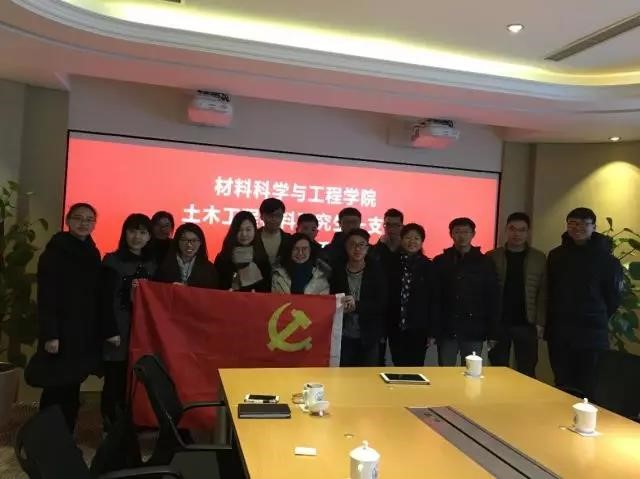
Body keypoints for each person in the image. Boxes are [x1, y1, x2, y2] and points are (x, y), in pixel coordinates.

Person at [27, 203, 115, 432]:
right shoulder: (56, 251)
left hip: (82, 332)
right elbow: (47, 296)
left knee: (71, 386)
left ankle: (64, 435)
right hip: (61, 332)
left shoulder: (91, 250)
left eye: (89, 219)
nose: (83, 223)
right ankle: (47, 436)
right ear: (68, 221)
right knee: (56, 388)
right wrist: (51, 334)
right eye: (78, 218)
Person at [546, 207, 622, 398]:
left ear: (593, 227)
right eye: (572, 223)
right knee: (562, 383)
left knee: (588, 385)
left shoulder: (607, 260)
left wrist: (595, 313)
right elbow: (549, 290)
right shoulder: (556, 255)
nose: (577, 228)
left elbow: (613, 298)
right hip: (560, 331)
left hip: (592, 333)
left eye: (583, 224)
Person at [100, 213, 156, 431]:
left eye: (142, 232)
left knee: (137, 380)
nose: (137, 237)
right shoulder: (112, 261)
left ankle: (131, 427)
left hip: (142, 331)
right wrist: (110, 330)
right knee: (115, 380)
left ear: (149, 237)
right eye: (133, 231)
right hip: (118, 329)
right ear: (125, 233)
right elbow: (104, 300)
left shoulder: (152, 264)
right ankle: (110, 429)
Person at [486, 213, 546, 377]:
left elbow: (543, 292)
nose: (517, 234)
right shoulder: (492, 256)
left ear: (528, 232)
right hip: (499, 321)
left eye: (522, 230)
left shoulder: (538, 257)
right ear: (506, 230)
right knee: (497, 369)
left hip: (527, 322)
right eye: (512, 229)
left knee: (527, 368)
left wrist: (540, 321)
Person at [433, 217, 499, 366]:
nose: (461, 236)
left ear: (473, 234)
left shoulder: (485, 262)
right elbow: (435, 297)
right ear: (451, 234)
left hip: (474, 328)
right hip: (447, 327)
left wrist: (493, 331)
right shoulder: (441, 261)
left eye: (466, 232)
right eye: (457, 232)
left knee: (471, 371)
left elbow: (492, 298)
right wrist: (434, 329)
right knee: (445, 371)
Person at [330, 229, 387, 366]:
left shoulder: (377, 271)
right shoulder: (337, 270)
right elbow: (330, 298)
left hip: (369, 335)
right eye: (352, 244)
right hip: (342, 335)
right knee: (343, 375)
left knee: (367, 376)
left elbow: (382, 304)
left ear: (367, 248)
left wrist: (357, 305)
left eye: (361, 245)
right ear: (346, 247)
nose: (357, 249)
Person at [387, 223, 439, 366]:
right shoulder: (391, 263)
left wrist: (432, 331)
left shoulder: (428, 266)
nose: (412, 241)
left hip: (419, 327)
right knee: (398, 364)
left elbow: (434, 300)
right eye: (408, 237)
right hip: (395, 325)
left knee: (416, 365)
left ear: (422, 242)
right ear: (401, 239)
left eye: (416, 238)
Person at [372, 208, 404, 364]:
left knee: (400, 356)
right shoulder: (376, 249)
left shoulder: (407, 249)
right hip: (379, 310)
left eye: (395, 225)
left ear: (402, 226)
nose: (391, 229)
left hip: (401, 312)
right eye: (388, 225)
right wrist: (379, 244)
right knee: (376, 356)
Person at [214, 211, 271, 292]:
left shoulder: (262, 259)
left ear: (254, 230)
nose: (244, 234)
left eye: (248, 230)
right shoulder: (223, 259)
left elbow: (266, 289)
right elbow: (216, 287)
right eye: (239, 230)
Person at [154, 223, 219, 288]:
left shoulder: (209, 269)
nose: (189, 245)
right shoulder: (163, 263)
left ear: (201, 242)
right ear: (177, 241)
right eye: (184, 240)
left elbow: (211, 292)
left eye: (194, 240)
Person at [254, 198, 291, 267]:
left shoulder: (289, 239)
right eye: (270, 215)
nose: (274, 219)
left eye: (278, 215)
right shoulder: (253, 237)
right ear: (261, 216)